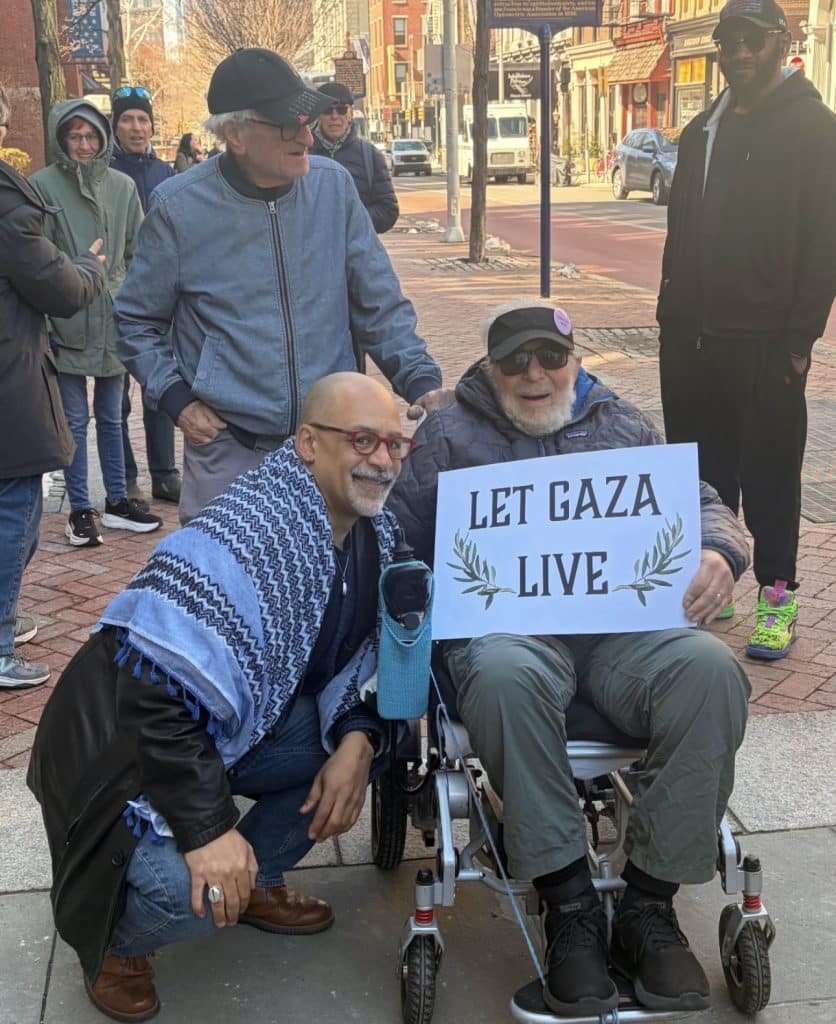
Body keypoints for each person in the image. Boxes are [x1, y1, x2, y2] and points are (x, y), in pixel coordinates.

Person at [388, 301, 751, 1018]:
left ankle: (649, 905)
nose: (534, 374)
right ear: (489, 370)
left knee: (710, 673)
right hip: (514, 637)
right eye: (514, 361)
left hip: (622, 638)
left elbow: (703, 502)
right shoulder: (447, 438)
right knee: (501, 676)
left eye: (550, 357)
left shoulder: (622, 425)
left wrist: (718, 550)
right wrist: (423, 581)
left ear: (575, 361)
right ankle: (570, 906)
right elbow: (391, 532)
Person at [27, 373, 413, 1022]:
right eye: (362, 439)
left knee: (368, 745)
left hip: (227, 728)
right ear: (309, 444)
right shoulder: (245, 536)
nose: (381, 459)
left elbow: (377, 653)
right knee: (191, 894)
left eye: (395, 445)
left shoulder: (375, 536)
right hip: (119, 760)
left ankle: (255, 876)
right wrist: (208, 832)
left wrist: (356, 738)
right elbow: (149, 696)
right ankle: (119, 943)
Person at [115, 48, 445, 526]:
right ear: (235, 133)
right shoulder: (179, 206)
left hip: (333, 443)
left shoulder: (334, 188)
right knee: (226, 594)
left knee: (336, 589)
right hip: (229, 447)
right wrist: (177, 401)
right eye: (290, 126)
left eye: (308, 121)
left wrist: (420, 379)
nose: (308, 137)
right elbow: (134, 319)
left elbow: (378, 301)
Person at [657, 0, 836, 659]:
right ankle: (717, 581)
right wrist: (670, 315)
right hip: (691, 338)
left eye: (752, 40)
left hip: (765, 345)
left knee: (769, 475)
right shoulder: (704, 127)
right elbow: (682, 235)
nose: (738, 52)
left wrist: (795, 345)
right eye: (728, 39)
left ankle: (777, 596)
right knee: (702, 476)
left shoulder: (816, 130)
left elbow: (825, 246)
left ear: (782, 41)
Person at [0, 85, 106, 689]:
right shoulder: (11, 203)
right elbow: (60, 290)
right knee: (15, 512)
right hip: (10, 380)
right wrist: (88, 266)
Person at [29, 100, 162, 547]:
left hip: (112, 320)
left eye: (91, 136)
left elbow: (137, 253)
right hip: (64, 318)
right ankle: (80, 508)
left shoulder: (123, 187)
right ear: (61, 138)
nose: (84, 145)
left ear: (103, 138)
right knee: (73, 419)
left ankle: (119, 500)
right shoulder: (41, 187)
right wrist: (48, 317)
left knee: (113, 417)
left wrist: (128, 300)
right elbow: (35, 261)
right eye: (74, 136)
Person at [109, 86, 181, 505]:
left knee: (159, 386)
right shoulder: (106, 175)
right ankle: (126, 478)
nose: (136, 127)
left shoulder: (166, 174)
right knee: (115, 398)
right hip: (119, 295)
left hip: (162, 296)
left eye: (142, 119)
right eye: (127, 119)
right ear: (115, 126)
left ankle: (165, 474)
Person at [311, 82, 398, 234]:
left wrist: (351, 220)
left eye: (341, 109)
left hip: (356, 252)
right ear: (318, 114)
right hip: (313, 252)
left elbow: (388, 211)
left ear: (350, 113)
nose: (334, 116)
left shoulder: (370, 156)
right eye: (327, 110)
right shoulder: (301, 153)